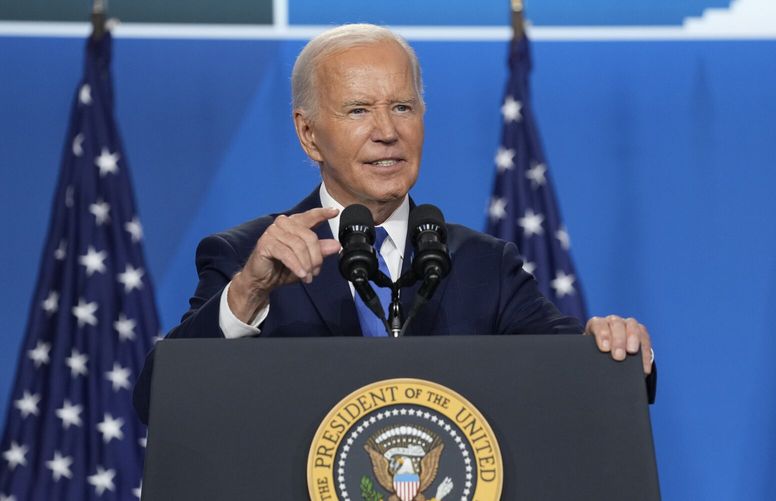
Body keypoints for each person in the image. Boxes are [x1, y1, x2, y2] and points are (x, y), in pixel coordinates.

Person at [133, 24, 655, 425]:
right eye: (359, 110)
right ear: (309, 135)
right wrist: (247, 294)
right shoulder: (244, 257)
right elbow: (159, 399)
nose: (387, 132)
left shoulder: (484, 266)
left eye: (403, 106)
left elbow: (574, 372)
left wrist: (610, 347)